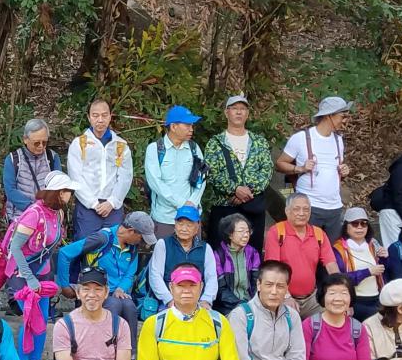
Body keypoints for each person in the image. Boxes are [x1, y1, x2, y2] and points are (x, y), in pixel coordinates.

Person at [5, 173, 77, 360]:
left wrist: (44, 276)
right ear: (58, 193)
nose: (70, 195)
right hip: (22, 273)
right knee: (31, 317)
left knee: (43, 319)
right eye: (67, 191)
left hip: (42, 271)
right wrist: (30, 278)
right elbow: (15, 248)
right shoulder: (33, 214)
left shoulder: (58, 214)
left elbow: (51, 246)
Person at [51, 269, 133, 360]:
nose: (92, 294)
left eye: (98, 289)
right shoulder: (64, 325)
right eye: (86, 289)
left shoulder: (120, 324)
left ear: (106, 292)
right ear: (78, 293)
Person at [57, 210, 153, 330]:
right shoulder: (102, 239)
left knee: (130, 307)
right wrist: (65, 285)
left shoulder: (132, 248)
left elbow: (129, 274)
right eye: (141, 238)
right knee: (114, 304)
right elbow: (64, 253)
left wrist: (120, 289)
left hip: (117, 292)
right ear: (131, 231)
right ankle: (106, 342)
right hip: (96, 291)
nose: (143, 243)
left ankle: (130, 343)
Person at [201, 93, 274, 248]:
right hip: (224, 206)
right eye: (234, 108)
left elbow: (266, 170)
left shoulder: (259, 142)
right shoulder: (216, 143)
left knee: (252, 252)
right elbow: (211, 173)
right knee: (221, 252)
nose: (239, 112)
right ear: (226, 112)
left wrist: (246, 192)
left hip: (253, 206)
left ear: (247, 114)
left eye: (243, 109)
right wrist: (235, 189)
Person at [277, 96, 352, 237]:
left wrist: (343, 171)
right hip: (309, 207)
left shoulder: (338, 140)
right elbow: (280, 164)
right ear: (329, 116)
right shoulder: (300, 138)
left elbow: (334, 170)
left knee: (331, 249)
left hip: (334, 208)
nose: (345, 120)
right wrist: (300, 168)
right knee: (307, 247)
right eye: (343, 116)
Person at [300, 273, 373, 360]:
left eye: (344, 293)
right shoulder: (310, 325)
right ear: (323, 297)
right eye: (332, 293)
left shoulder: (357, 328)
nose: (338, 298)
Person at [66, 100, 134, 241]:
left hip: (113, 207)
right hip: (87, 207)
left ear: (110, 116)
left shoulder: (120, 145)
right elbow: (75, 177)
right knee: (85, 247)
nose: (100, 120)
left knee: (112, 246)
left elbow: (125, 177)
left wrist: (112, 202)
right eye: (95, 115)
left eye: (104, 115)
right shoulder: (79, 144)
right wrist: (93, 204)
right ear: (89, 117)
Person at [264, 193, 336, 313]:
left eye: (306, 209)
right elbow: (272, 268)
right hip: (282, 296)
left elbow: (331, 265)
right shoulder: (277, 232)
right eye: (296, 209)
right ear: (287, 211)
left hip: (311, 298)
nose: (302, 213)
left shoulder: (318, 234)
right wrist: (286, 296)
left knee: (333, 313)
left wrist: (340, 292)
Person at [144, 105, 206, 238]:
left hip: (191, 216)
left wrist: (192, 203)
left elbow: (202, 177)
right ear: (173, 126)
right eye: (187, 125)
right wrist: (181, 203)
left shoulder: (194, 148)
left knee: (193, 251)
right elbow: (155, 183)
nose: (191, 129)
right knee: (164, 250)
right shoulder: (155, 149)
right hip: (165, 218)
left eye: (192, 125)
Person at [148, 205, 212, 312]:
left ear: (197, 226)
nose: (184, 229)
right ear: (175, 225)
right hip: (167, 300)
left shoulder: (205, 248)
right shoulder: (163, 244)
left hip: (198, 301)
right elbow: (155, 275)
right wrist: (169, 300)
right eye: (180, 224)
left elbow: (211, 277)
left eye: (189, 225)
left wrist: (206, 300)